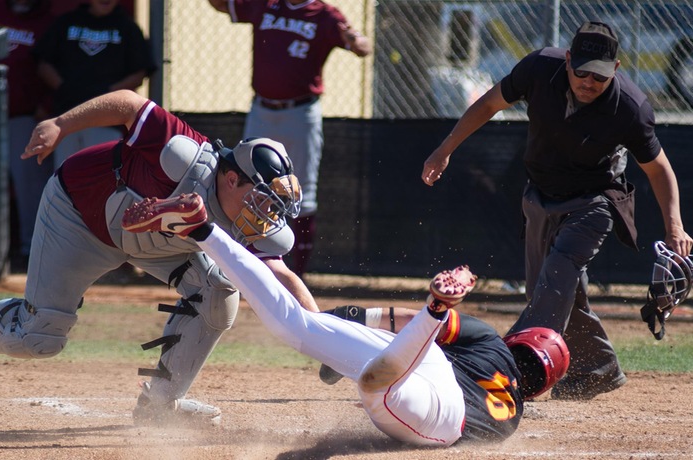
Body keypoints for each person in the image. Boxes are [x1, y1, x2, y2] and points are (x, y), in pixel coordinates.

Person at [0, 89, 319, 425]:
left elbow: (278, 273)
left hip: (157, 242)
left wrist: (322, 336)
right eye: (260, 198)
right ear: (233, 179)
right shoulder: (182, 154)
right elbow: (128, 104)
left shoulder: (249, 215)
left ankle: (160, 405)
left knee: (220, 296)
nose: (265, 212)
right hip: (80, 217)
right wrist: (61, 123)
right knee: (37, 339)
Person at [120, 193, 570, 444]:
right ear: (538, 386)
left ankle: (203, 229)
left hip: (426, 359)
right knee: (379, 385)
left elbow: (398, 317)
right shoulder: (509, 420)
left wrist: (348, 318)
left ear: (519, 343)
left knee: (295, 325)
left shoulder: (492, 343)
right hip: (443, 412)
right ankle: (436, 310)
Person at [421, 21, 693, 400]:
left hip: (597, 199)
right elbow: (488, 104)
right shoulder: (538, 69)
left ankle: (508, 367)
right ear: (567, 60)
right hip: (541, 193)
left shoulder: (630, 107)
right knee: (549, 289)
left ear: (615, 70)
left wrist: (675, 227)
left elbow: (659, 168)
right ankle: (598, 368)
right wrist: (445, 149)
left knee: (559, 271)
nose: (587, 81)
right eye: (580, 70)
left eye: (598, 75)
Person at [207, 0, 372, 277]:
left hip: (301, 112)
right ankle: (245, 268)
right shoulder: (266, 4)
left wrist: (354, 39)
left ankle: (299, 274)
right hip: (261, 109)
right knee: (247, 186)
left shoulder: (324, 15)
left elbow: (364, 49)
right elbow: (220, 5)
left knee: (301, 192)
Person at [0, 0, 55, 270]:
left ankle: (32, 250)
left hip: (24, 117)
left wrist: (47, 108)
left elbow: (59, 68)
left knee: (30, 187)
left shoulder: (46, 23)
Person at [32, 0, 156, 167]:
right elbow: (44, 63)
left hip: (106, 121)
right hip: (67, 120)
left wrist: (108, 94)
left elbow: (139, 72)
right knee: (65, 176)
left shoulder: (127, 27)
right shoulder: (67, 21)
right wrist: (64, 88)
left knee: (103, 177)